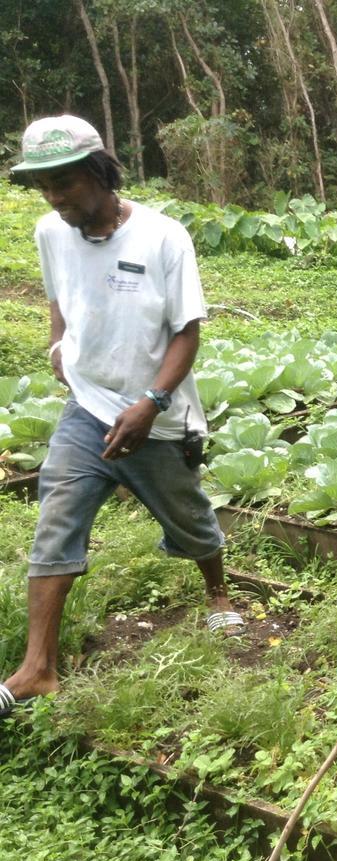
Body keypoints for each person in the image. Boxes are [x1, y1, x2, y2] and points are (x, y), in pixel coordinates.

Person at [0, 114, 243, 719]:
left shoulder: (163, 236)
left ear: (99, 172)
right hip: (88, 410)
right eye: (44, 186)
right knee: (57, 516)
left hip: (156, 418)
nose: (55, 198)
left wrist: (152, 403)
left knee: (189, 521)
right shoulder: (51, 232)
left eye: (65, 182)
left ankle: (217, 591)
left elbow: (187, 333)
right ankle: (38, 669)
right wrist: (58, 347)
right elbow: (61, 299)